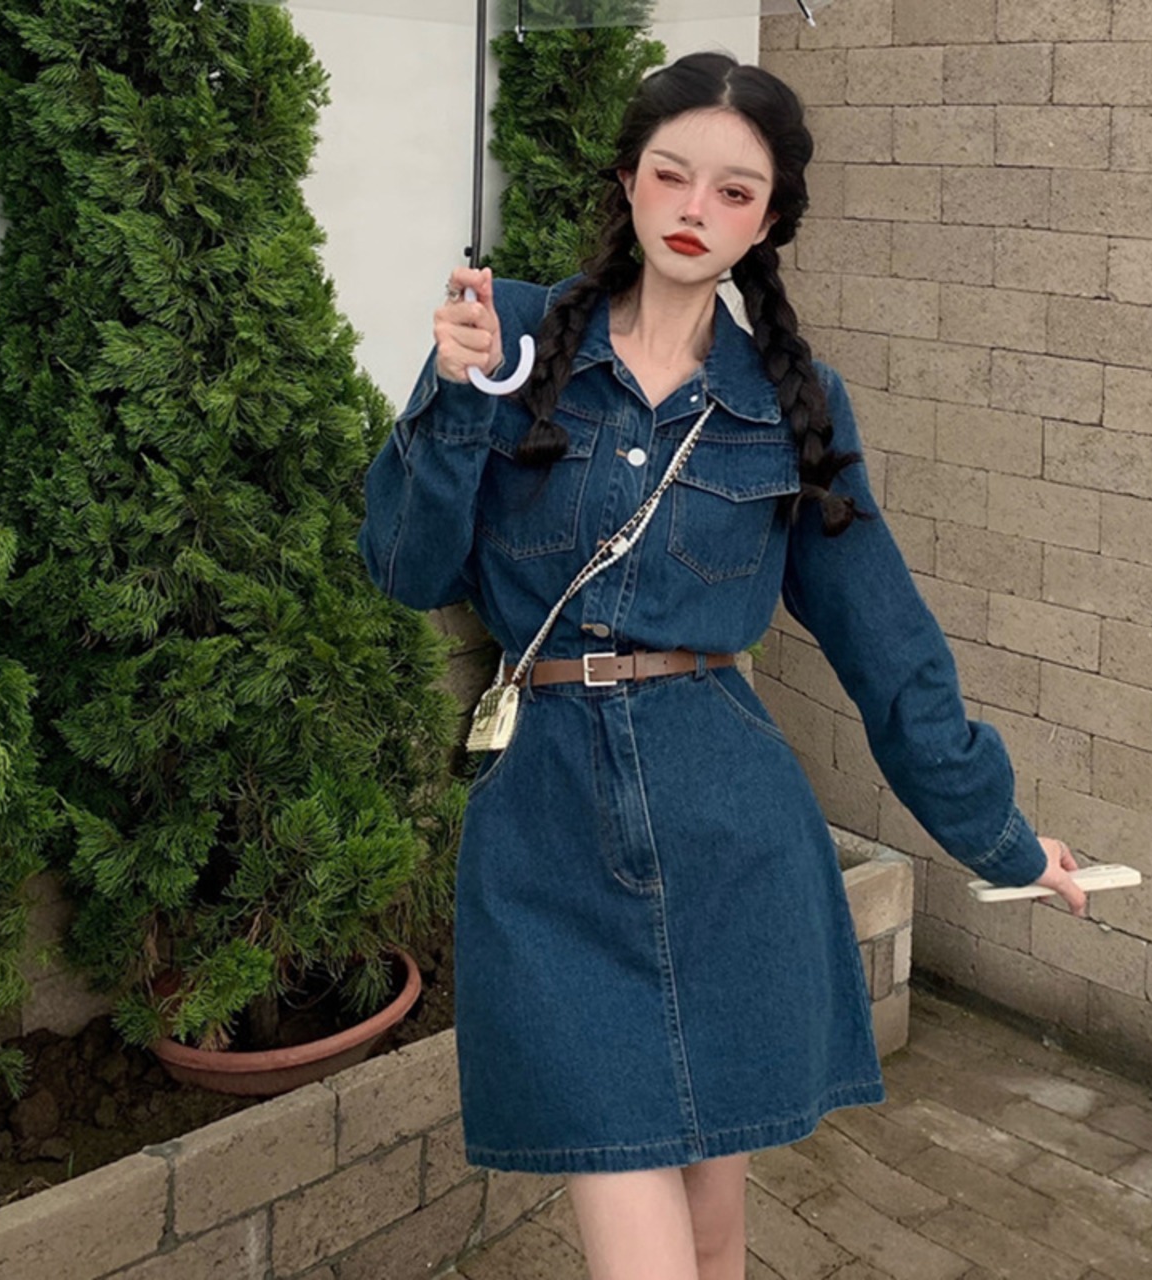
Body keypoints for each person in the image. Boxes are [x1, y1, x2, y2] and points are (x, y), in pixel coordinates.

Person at [358, 50, 1086, 1280]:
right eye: (671, 174)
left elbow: (886, 645)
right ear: (628, 182)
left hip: (729, 837)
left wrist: (1000, 835)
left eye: (734, 192)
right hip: (544, 840)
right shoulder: (516, 343)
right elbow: (404, 566)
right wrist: (455, 392)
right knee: (632, 1214)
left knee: (708, 1233)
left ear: (767, 220)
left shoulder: (794, 404)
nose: (695, 209)